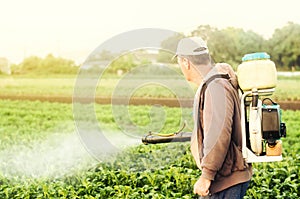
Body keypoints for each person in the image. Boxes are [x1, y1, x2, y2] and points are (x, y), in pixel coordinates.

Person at [175, 37, 252, 199]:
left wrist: (206, 175)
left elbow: (218, 133)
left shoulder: (215, 87)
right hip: (227, 178)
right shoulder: (216, 82)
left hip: (226, 180)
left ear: (185, 62)